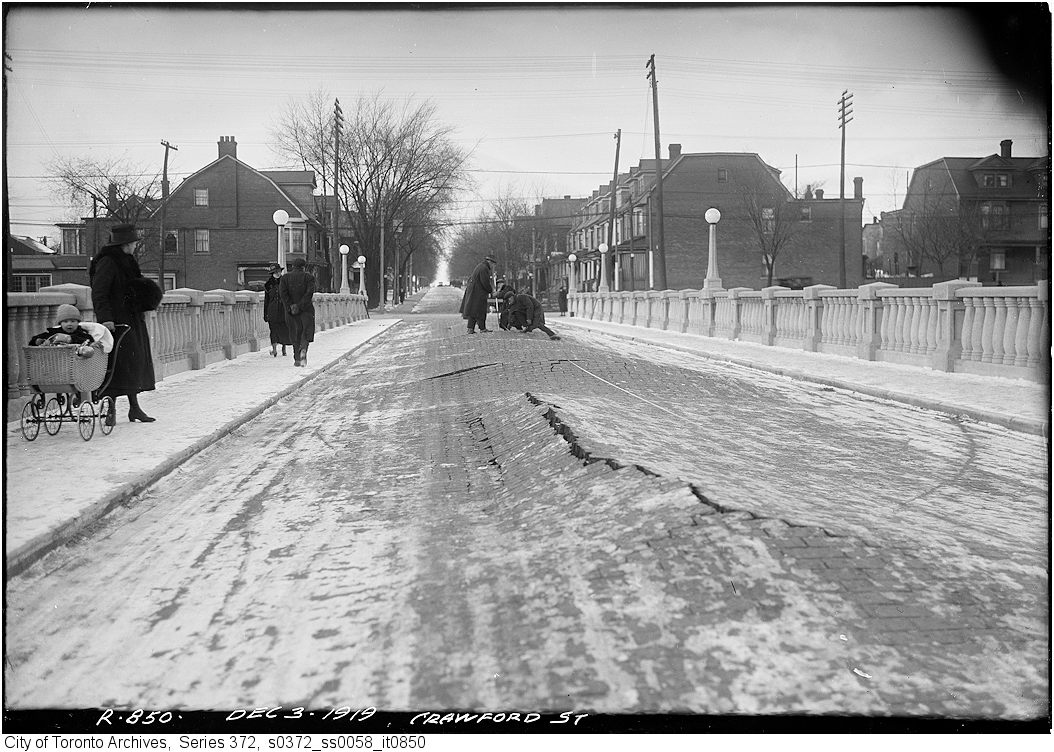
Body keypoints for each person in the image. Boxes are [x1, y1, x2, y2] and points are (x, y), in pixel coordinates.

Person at [90, 223, 159, 424]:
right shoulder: (108, 262)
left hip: (132, 319)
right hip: (116, 323)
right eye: (133, 243)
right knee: (117, 364)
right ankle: (110, 410)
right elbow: (99, 292)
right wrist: (106, 319)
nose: (135, 246)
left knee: (133, 364)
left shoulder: (127, 261)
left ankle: (134, 408)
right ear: (126, 243)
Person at [28, 303, 114, 358]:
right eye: (65, 322)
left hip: (76, 362)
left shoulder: (82, 333)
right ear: (60, 323)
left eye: (73, 321)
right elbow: (34, 340)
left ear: (78, 323)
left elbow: (89, 341)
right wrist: (39, 341)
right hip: (58, 360)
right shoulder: (55, 332)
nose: (69, 324)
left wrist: (70, 338)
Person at [279, 257, 316, 367]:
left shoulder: (285, 278)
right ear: (303, 267)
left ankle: (296, 358)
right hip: (306, 310)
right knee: (306, 331)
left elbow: (283, 294)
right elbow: (309, 293)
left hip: (291, 312)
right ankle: (303, 349)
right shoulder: (309, 277)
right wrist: (300, 306)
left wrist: (291, 306)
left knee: (294, 332)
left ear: (292, 266)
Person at [459, 255, 496, 333]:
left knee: (473, 311)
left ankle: (470, 328)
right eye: (493, 264)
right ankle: (482, 328)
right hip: (478, 293)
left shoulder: (480, 266)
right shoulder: (484, 269)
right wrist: (491, 290)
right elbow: (485, 282)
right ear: (489, 262)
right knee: (481, 311)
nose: (493, 266)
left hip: (474, 292)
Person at [263, 262, 291, 357]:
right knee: (273, 330)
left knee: (284, 329)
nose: (278, 273)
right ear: (272, 273)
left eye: (278, 271)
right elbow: (266, 300)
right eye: (275, 272)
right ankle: (274, 349)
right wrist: (265, 314)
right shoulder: (268, 285)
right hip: (272, 311)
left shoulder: (285, 282)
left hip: (283, 310)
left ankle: (284, 348)